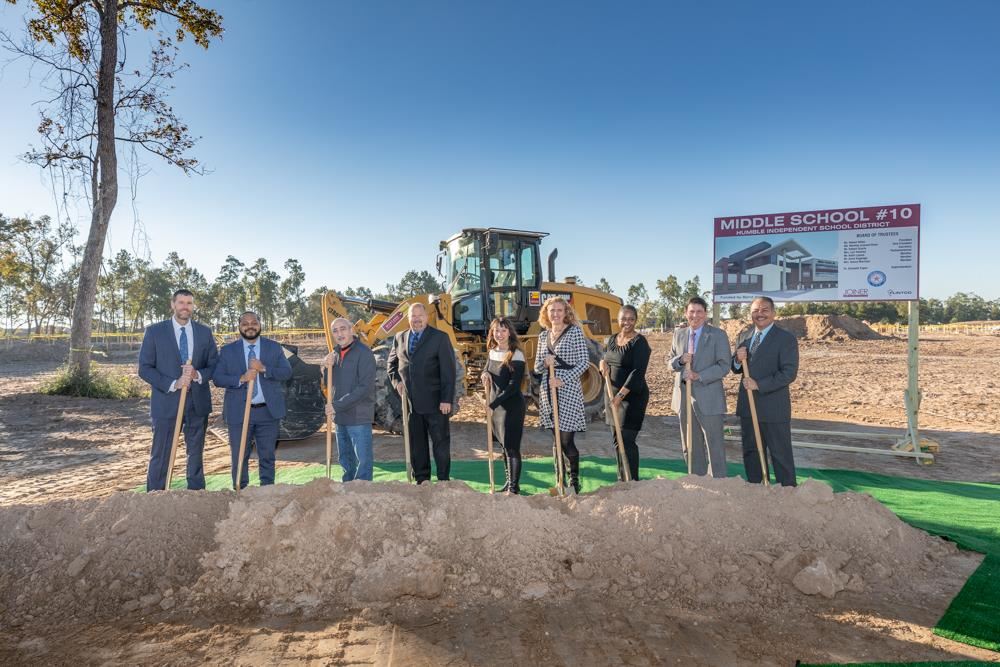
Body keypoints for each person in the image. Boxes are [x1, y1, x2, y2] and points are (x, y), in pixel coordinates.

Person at [138, 289, 218, 491]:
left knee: (195, 453)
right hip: (166, 402)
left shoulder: (204, 332)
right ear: (172, 304)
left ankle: (196, 493)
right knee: (161, 452)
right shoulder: (155, 332)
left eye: (189, 303)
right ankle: (155, 494)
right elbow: (145, 369)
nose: (185, 307)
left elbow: (214, 365)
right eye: (181, 302)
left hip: (197, 403)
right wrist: (174, 383)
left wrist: (196, 375)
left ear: (193, 306)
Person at [212, 311, 293, 489]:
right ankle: (240, 490)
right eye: (245, 323)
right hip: (239, 413)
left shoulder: (273, 347)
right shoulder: (227, 351)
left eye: (254, 322)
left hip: (267, 412)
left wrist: (264, 368)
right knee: (240, 455)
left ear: (260, 324)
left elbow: (286, 372)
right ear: (239, 327)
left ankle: (267, 489)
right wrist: (241, 378)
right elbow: (217, 378)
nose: (250, 326)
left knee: (267, 454)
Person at [732, 296, 799, 486]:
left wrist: (759, 384)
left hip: (773, 407)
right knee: (751, 451)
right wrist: (737, 359)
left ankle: (787, 491)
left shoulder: (785, 339)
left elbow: (788, 373)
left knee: (780, 453)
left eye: (764, 310)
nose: (759, 314)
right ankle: (757, 489)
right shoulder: (744, 337)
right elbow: (735, 367)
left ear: (773, 313)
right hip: (748, 406)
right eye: (755, 311)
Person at [387, 302, 457, 483]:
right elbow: (391, 365)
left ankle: (443, 480)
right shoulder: (399, 337)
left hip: (436, 403)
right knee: (417, 445)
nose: (416, 319)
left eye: (420, 316)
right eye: (413, 316)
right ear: (408, 319)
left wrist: (446, 399)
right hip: (411, 404)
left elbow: (448, 371)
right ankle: (422, 479)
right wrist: (397, 383)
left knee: (440, 443)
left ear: (427, 317)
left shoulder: (440, 338)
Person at [669, 297, 731, 478]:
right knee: (690, 443)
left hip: (709, 397)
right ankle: (696, 478)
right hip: (683, 397)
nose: (695, 315)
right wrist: (680, 361)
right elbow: (669, 362)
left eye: (699, 312)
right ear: (685, 313)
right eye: (691, 311)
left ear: (706, 314)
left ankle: (718, 480)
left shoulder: (718, 335)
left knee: (714, 442)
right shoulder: (679, 335)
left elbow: (724, 365)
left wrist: (699, 375)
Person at [534, 296, 590, 494]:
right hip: (548, 391)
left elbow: (584, 363)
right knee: (555, 440)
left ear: (566, 312)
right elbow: (537, 367)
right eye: (551, 311)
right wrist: (545, 363)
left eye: (559, 310)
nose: (555, 314)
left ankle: (574, 480)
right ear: (546, 314)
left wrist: (563, 380)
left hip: (568, 390)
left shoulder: (575, 332)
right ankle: (560, 481)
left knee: (566, 440)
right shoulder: (543, 336)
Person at [599, 304, 651, 481]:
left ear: (636, 320)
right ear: (618, 319)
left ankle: (633, 481)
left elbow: (637, 373)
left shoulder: (640, 342)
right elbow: (606, 359)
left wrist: (620, 397)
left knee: (627, 440)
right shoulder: (612, 339)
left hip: (632, 397)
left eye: (631, 319)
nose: (627, 322)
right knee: (617, 440)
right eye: (623, 319)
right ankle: (622, 478)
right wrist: (602, 364)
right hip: (612, 394)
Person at [322, 317, 377, 482]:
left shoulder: (364, 352)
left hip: (358, 416)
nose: (340, 334)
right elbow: (328, 383)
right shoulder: (335, 354)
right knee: (346, 459)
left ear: (351, 330)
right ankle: (347, 488)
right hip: (340, 417)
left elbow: (364, 388)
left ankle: (363, 492)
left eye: (343, 329)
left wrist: (336, 405)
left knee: (363, 461)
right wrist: (326, 368)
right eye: (335, 331)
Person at [480, 317, 527, 495]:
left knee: (512, 447)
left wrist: (492, 404)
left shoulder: (516, 354)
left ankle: (514, 488)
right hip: (496, 407)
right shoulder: (492, 351)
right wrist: (484, 374)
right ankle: (508, 482)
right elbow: (487, 369)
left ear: (510, 332)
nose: (499, 334)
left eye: (503, 330)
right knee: (503, 446)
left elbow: (513, 387)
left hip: (511, 406)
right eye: (496, 330)